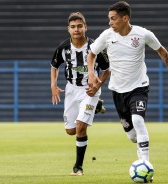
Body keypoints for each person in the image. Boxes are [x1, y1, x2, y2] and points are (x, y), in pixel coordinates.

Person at [87, 0, 168, 174]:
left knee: (138, 120)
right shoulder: (107, 35)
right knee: (132, 136)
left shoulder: (143, 34)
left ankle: (145, 165)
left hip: (139, 87)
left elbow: (162, 51)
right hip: (117, 90)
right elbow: (91, 54)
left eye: (113, 19)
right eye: (109, 19)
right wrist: (91, 73)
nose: (110, 22)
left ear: (125, 18)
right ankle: (140, 150)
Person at [50, 12, 110, 176]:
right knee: (71, 131)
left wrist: (98, 86)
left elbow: (106, 69)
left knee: (81, 127)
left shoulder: (95, 47)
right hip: (71, 89)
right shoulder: (63, 48)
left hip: (90, 91)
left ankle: (78, 167)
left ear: (85, 27)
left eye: (79, 26)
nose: (76, 29)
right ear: (68, 29)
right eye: (73, 27)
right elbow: (54, 66)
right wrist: (53, 85)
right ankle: (96, 107)